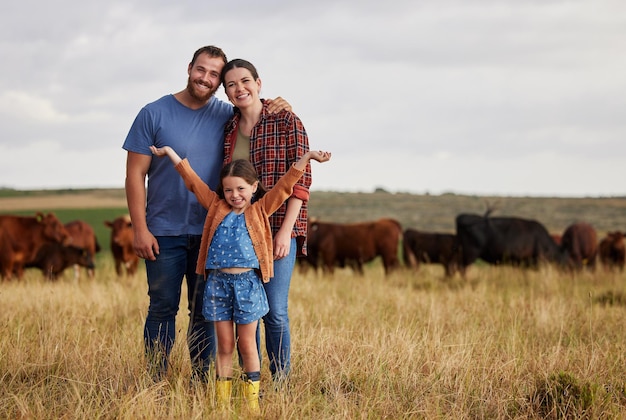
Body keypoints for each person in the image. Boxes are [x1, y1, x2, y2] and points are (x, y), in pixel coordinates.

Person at [122, 45, 291, 382]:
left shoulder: (224, 114)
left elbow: (253, 106)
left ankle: (201, 381)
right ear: (189, 68)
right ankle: (156, 380)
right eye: (202, 70)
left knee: (205, 313)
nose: (206, 78)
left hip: (212, 234)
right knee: (162, 308)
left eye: (215, 74)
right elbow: (133, 176)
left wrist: (278, 103)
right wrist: (139, 228)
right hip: (163, 231)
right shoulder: (153, 113)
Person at [150, 144, 331, 413]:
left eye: (241, 189)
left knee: (246, 344)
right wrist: (170, 153)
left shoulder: (259, 210)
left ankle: (251, 403)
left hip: (247, 286)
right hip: (217, 286)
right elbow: (192, 182)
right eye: (228, 190)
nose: (235, 195)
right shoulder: (215, 207)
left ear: (254, 187)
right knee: (224, 345)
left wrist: (306, 158)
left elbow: (284, 187)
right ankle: (222, 404)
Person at [221, 58, 312, 383]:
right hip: (241, 235)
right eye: (231, 84)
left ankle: (282, 381)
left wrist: (284, 233)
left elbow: (301, 183)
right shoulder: (229, 127)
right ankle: (253, 380)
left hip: (277, 230)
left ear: (259, 83)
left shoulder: (287, 120)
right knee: (248, 313)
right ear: (227, 93)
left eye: (245, 80)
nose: (239, 88)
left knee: (274, 310)